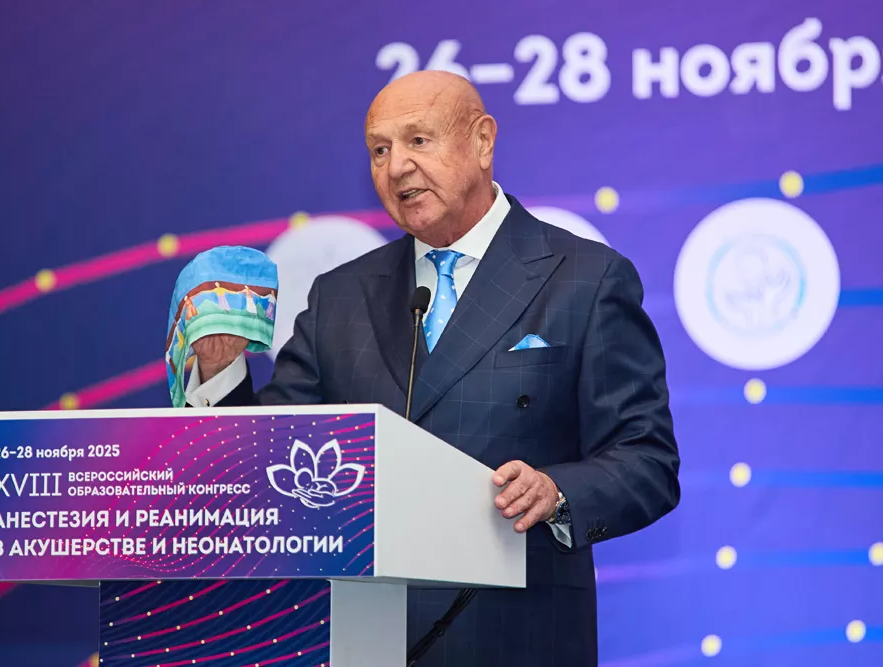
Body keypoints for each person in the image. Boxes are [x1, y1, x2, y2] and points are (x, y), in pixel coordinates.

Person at [182, 70, 680, 666]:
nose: (396, 167)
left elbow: (646, 460)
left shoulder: (585, 278)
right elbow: (271, 463)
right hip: (360, 639)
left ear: (482, 142)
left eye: (418, 140)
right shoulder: (342, 295)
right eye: (379, 150)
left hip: (513, 638)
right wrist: (220, 371)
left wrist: (556, 493)